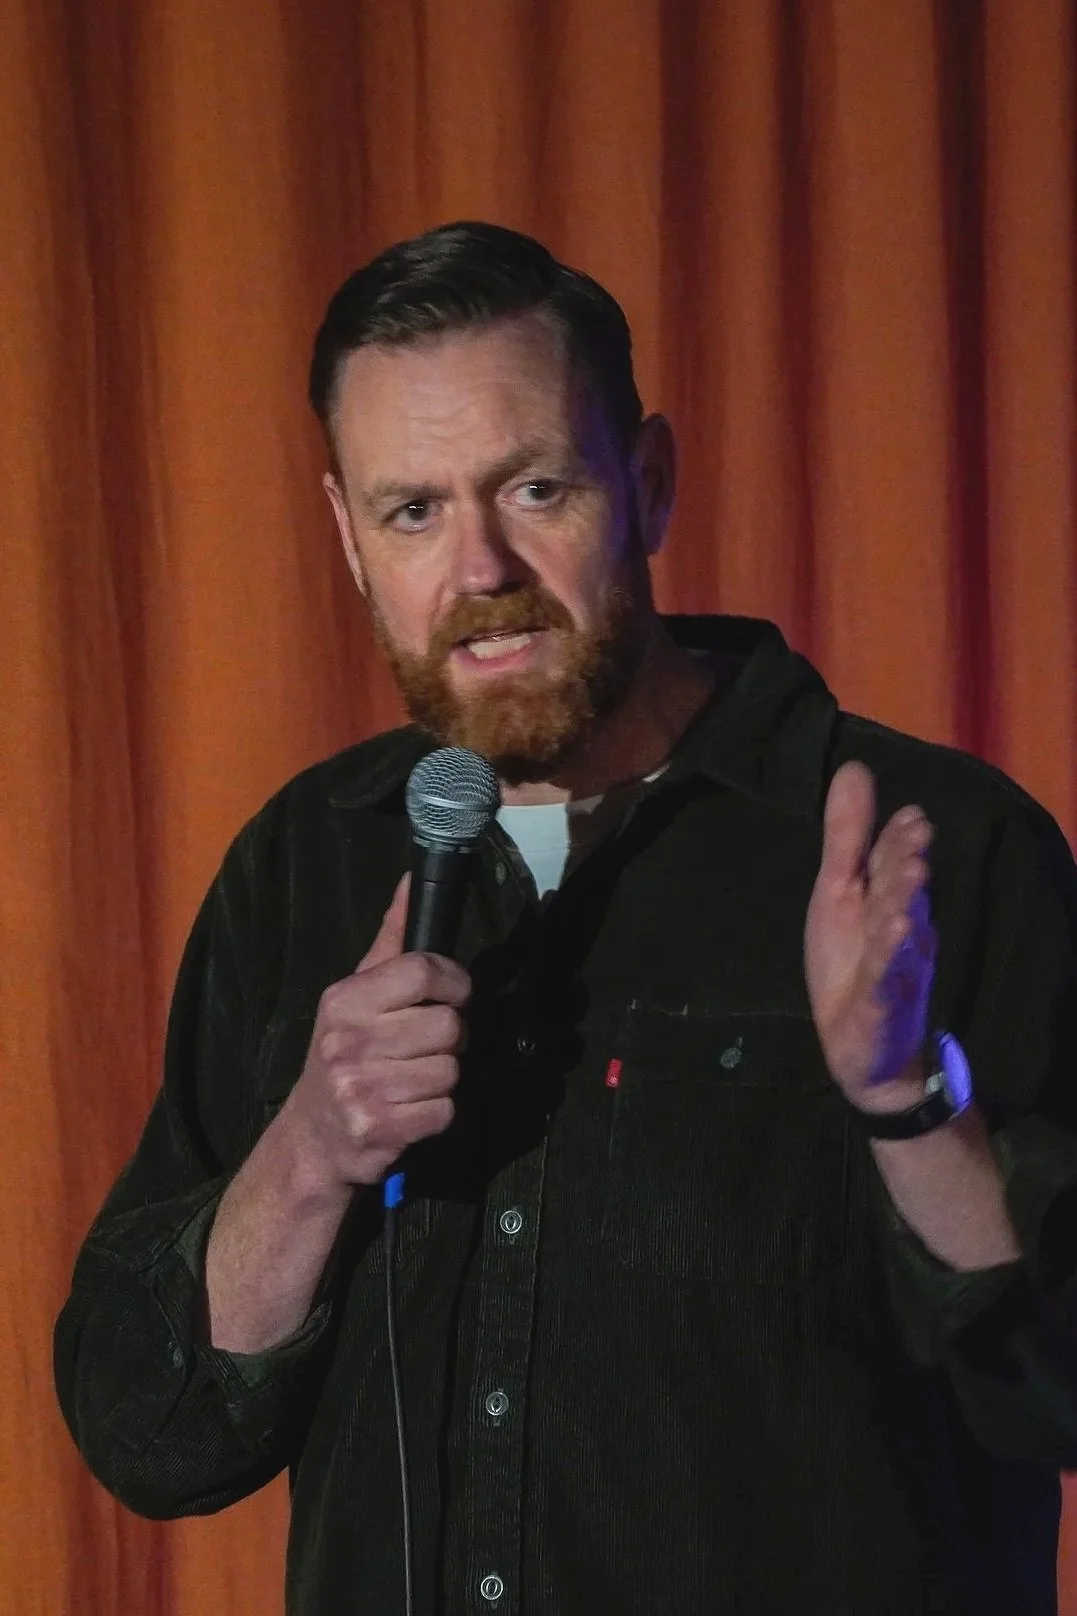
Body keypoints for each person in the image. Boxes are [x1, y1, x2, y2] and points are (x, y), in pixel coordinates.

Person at [55, 221, 1077, 1616]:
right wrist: (308, 1155)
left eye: (535, 488)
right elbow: (147, 1433)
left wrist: (909, 1106)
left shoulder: (932, 849)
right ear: (348, 537)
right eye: (413, 512)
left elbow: (1055, 1391)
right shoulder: (307, 862)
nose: (481, 568)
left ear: (647, 482)